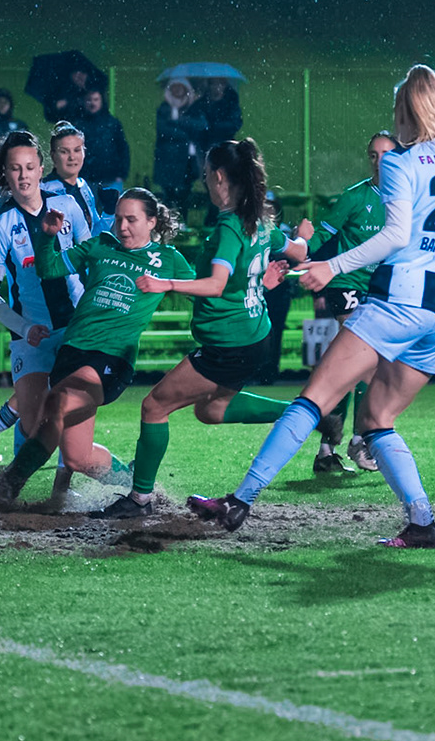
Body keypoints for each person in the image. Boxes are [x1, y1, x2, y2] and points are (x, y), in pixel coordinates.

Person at [189, 65, 435, 549]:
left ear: (406, 111)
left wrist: (331, 268)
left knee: (313, 399)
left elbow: (396, 235)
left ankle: (239, 501)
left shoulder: (403, 161)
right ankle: (422, 523)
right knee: (377, 420)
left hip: (399, 303)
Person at [96, 140, 312, 519]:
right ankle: (306, 413)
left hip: (229, 343)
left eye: (205, 176)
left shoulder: (230, 224)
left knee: (154, 406)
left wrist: (166, 284)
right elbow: (297, 253)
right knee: (211, 410)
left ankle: (139, 499)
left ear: (218, 177)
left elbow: (215, 284)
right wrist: (295, 247)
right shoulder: (258, 219)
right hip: (253, 335)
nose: (204, 184)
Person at [0, 188, 197, 506]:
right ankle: (135, 481)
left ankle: (8, 483)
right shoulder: (102, 245)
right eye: (119, 219)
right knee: (77, 457)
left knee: (57, 402)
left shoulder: (169, 260)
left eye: (132, 219)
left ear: (152, 222)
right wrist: (46, 238)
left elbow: (206, 293)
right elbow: (49, 269)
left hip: (111, 358)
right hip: (72, 352)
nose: (122, 226)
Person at [0, 131, 93, 482]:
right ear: (6, 174)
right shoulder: (2, 225)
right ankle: (18, 488)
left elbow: (91, 261)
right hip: (34, 338)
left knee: (67, 422)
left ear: (41, 169)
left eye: (29, 167)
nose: (23, 175)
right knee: (36, 423)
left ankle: (65, 493)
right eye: (15, 169)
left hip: (76, 329)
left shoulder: (67, 206)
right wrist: (24, 328)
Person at [305, 132, 400, 474]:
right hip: (346, 284)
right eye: (373, 155)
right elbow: (322, 235)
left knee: (351, 368)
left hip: (378, 289)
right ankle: (363, 439)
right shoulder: (356, 197)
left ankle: (327, 449)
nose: (379, 161)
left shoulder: (406, 200)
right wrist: (299, 247)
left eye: (387, 154)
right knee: (370, 363)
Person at [153, 81, 206, 216]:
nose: (177, 90)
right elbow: (164, 131)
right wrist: (185, 131)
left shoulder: (193, 108)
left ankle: (183, 223)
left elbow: (201, 126)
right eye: (174, 87)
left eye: (180, 87)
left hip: (188, 160)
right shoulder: (164, 109)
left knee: (185, 193)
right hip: (168, 159)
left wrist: (178, 123)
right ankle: (168, 224)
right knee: (169, 194)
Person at [73, 89, 131, 214]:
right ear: (83, 102)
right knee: (88, 215)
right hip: (86, 179)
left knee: (112, 216)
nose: (92, 103)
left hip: (111, 178)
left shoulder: (112, 123)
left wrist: (122, 174)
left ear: (101, 101)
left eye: (96, 99)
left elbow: (123, 148)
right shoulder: (79, 125)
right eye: (89, 100)